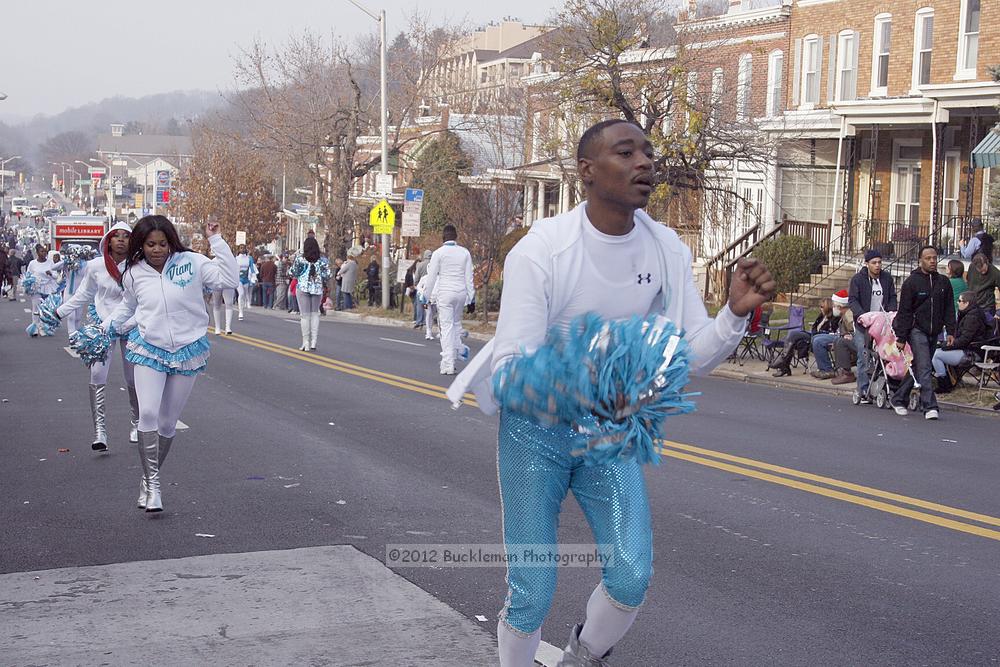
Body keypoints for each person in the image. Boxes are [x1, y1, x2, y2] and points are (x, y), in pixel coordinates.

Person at [446, 120, 775, 666]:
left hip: (610, 427)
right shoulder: (542, 250)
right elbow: (511, 365)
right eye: (626, 153)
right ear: (587, 172)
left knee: (631, 572)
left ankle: (582, 657)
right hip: (535, 428)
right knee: (533, 587)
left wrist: (733, 315)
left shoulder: (665, 246)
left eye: (648, 152)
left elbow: (689, 354)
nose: (644, 162)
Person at [104, 215, 239, 512]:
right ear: (141, 244)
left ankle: (148, 478)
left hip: (188, 349)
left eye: (162, 244)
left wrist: (216, 240)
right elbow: (128, 306)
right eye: (150, 244)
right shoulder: (132, 273)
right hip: (149, 348)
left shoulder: (192, 262)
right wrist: (105, 328)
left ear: (171, 242)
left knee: (166, 422)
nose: (157, 250)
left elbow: (229, 279)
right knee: (148, 413)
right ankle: (153, 487)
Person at [54, 223, 138, 453]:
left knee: (133, 379)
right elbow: (83, 295)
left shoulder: (139, 265)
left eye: (126, 236)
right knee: (97, 376)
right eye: (116, 236)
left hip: (133, 326)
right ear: (108, 241)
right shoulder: (96, 266)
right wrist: (59, 311)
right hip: (103, 328)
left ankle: (137, 424)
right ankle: (100, 431)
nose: (121, 240)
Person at [891, 245, 955, 420]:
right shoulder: (911, 282)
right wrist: (901, 337)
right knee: (925, 366)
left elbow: (949, 307)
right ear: (921, 260)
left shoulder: (943, 282)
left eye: (934, 257)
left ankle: (898, 398)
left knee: (919, 366)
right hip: (916, 329)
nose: (933, 261)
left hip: (935, 331)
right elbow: (904, 311)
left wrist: (951, 330)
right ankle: (930, 406)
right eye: (928, 258)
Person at [424, 225, 475, 375]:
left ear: (443, 237)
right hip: (461, 294)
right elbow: (469, 277)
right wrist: (472, 298)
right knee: (456, 324)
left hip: (445, 293)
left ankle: (448, 363)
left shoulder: (438, 253)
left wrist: (426, 296)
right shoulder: (465, 253)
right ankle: (459, 349)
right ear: (456, 237)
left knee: (446, 328)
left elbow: (432, 277)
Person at [847, 249, 897, 398]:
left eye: (879, 262)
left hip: (882, 324)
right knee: (864, 356)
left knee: (885, 355)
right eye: (874, 263)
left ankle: (884, 386)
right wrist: (862, 315)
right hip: (864, 325)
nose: (877, 266)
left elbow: (892, 297)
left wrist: (892, 312)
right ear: (867, 264)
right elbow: (853, 300)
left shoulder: (887, 279)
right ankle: (863, 389)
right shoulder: (858, 280)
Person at [931, 291, 989, 393]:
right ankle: (948, 380)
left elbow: (964, 340)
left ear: (967, 303)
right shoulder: (969, 314)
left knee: (936, 354)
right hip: (968, 349)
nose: (957, 303)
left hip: (971, 353)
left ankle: (945, 385)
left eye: (959, 301)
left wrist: (946, 345)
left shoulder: (972, 317)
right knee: (936, 350)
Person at [768, 298, 837, 377]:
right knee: (794, 338)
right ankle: (784, 366)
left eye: (822, 306)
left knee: (794, 335)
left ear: (828, 307)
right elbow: (814, 327)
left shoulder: (833, 318)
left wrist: (816, 332)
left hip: (819, 337)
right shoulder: (821, 316)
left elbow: (831, 332)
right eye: (820, 306)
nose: (820, 308)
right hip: (813, 335)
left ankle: (783, 363)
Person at [288, 237, 331, 351]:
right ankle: (314, 342)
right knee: (315, 314)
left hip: (302, 288)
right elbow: (328, 274)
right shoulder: (322, 260)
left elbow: (293, 272)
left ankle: (305, 342)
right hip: (317, 288)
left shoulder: (300, 259)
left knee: (305, 316)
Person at [809, 290, 850, 379]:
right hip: (839, 335)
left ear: (840, 306)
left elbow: (849, 329)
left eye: (834, 306)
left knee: (818, 341)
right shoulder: (841, 314)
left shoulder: (848, 314)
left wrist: (845, 334)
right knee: (815, 338)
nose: (833, 307)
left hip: (843, 337)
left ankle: (827, 370)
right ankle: (823, 368)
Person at [26, 244, 59, 336]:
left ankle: (43, 327)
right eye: (42, 251)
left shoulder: (50, 262)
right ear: (37, 253)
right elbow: (28, 274)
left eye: (45, 251)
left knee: (46, 309)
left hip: (48, 287)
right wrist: (29, 283)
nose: (44, 253)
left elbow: (56, 276)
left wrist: (50, 274)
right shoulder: (32, 263)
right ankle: (35, 328)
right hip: (36, 287)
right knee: (36, 308)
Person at [235, 245, 257, 320]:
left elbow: (252, 268)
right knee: (241, 294)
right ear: (239, 249)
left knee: (245, 293)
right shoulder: (236, 259)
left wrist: (255, 278)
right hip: (238, 279)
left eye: (244, 248)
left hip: (246, 279)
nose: (242, 249)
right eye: (241, 248)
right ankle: (240, 312)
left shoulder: (249, 258)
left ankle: (247, 302)